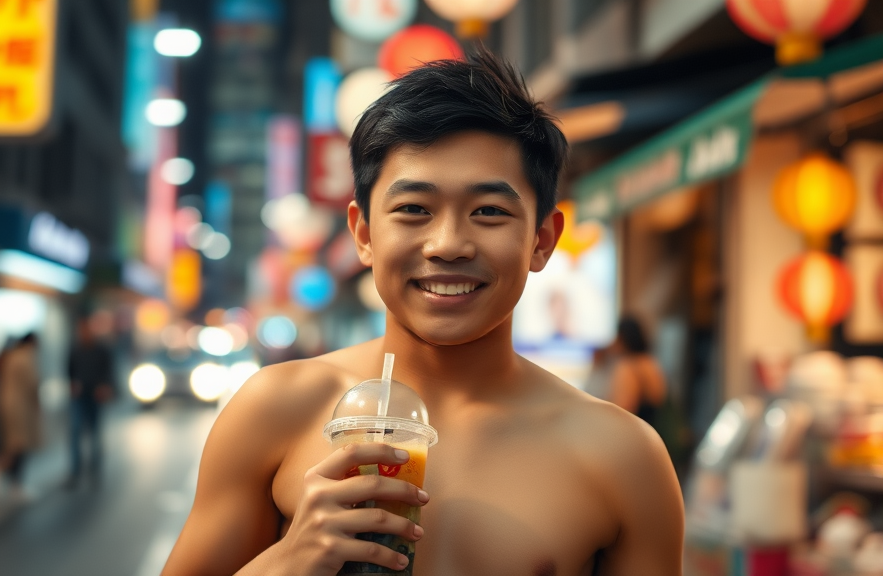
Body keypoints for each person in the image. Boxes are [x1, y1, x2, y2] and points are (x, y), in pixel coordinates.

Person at [162, 51, 683, 576]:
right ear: (364, 233)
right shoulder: (275, 410)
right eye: (414, 209)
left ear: (542, 240)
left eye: (489, 212)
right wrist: (289, 560)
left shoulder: (623, 457)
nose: (448, 244)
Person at [0, 333, 41, 498]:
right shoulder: (25, 356)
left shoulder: (9, 356)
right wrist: (37, 405)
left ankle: (14, 483)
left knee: (12, 445)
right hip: (19, 409)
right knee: (17, 446)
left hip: (3, 404)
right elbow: (32, 384)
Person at [585, 316, 668, 427]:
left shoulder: (627, 366)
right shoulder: (649, 362)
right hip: (650, 432)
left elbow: (622, 410)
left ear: (622, 339)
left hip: (632, 433)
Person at [65, 318, 114, 488]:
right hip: (79, 397)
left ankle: (95, 471)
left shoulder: (101, 350)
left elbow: (108, 372)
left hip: (95, 396)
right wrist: (72, 385)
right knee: (76, 432)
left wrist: (104, 387)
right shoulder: (75, 349)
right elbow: (69, 370)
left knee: (94, 434)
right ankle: (75, 472)